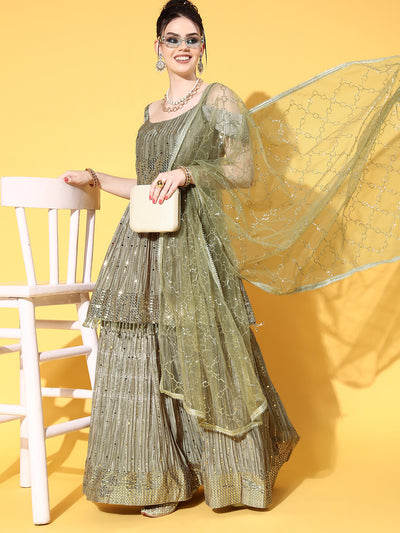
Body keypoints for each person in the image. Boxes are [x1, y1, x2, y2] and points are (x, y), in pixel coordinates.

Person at [59, 0, 400, 519]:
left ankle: (227, 477)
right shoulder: (150, 112)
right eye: (172, 39)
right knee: (146, 355)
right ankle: (163, 481)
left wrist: (188, 173)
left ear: (203, 46)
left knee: (204, 352)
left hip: (192, 245)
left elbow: (242, 172)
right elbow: (148, 188)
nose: (182, 47)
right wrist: (96, 178)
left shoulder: (218, 98)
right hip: (143, 248)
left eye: (192, 38)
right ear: (157, 47)